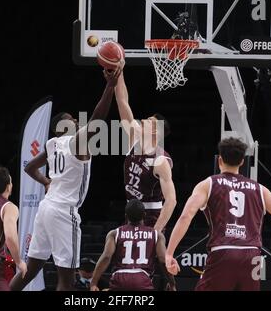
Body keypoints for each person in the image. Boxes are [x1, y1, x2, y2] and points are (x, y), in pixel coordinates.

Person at [165, 137, 271, 291]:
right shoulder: (260, 189)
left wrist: (169, 253)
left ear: (219, 160)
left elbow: (186, 216)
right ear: (242, 162)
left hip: (223, 251)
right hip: (252, 256)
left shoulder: (207, 184)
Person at [10, 66, 123, 291]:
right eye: (71, 119)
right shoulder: (75, 142)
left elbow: (30, 167)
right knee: (66, 280)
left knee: (30, 269)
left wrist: (45, 182)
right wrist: (110, 86)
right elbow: (97, 119)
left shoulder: (52, 145)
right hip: (63, 212)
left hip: (45, 209)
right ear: (63, 127)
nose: (75, 120)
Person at [115, 73, 176, 231]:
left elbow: (171, 200)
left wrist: (155, 233)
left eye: (150, 121)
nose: (143, 120)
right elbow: (122, 101)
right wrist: (118, 72)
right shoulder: (134, 139)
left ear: (156, 132)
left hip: (150, 217)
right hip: (130, 213)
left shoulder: (160, 161)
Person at [90, 199, 176, 291]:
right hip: (142, 278)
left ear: (126, 216)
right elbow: (163, 260)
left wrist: (94, 282)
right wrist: (172, 283)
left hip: (119, 278)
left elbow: (106, 257)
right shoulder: (157, 235)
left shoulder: (114, 233)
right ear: (144, 215)